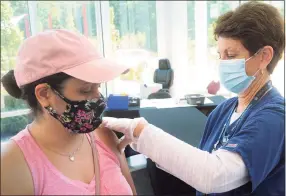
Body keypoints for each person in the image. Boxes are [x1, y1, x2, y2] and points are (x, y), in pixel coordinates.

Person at [102, 2, 285, 195]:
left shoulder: (274, 118)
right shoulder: (223, 111)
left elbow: (214, 175)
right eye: (219, 55)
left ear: (264, 56)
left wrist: (142, 133)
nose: (222, 64)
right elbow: (198, 169)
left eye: (230, 55)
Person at [1, 29, 136, 195]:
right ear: (44, 94)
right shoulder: (12, 165)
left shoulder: (104, 136)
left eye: (98, 86)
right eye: (86, 90)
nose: (98, 98)